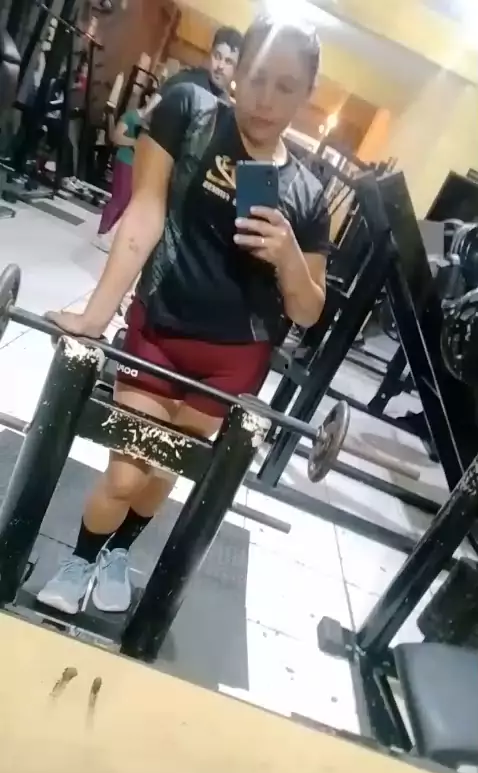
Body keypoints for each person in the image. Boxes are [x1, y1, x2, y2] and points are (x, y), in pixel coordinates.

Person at [37, 14, 330, 616]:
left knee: (162, 476)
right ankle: (83, 557)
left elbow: (307, 309)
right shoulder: (189, 113)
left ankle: (119, 552)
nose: (265, 99)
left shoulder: (307, 194)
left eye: (284, 86)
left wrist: (286, 257)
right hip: (159, 332)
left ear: (306, 94)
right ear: (236, 71)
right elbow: (144, 214)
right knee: (126, 474)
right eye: (256, 77)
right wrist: (94, 316)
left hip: (234, 362)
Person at [93, 91, 158, 253]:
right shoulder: (131, 116)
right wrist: (136, 143)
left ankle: (108, 234)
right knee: (119, 199)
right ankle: (101, 232)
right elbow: (116, 137)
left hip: (138, 165)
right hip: (125, 160)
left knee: (127, 202)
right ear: (147, 98)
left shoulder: (152, 123)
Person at [160, 26, 243, 101]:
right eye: (217, 56)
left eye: (228, 62)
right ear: (210, 53)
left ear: (236, 69)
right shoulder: (184, 82)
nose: (220, 66)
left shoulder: (227, 107)